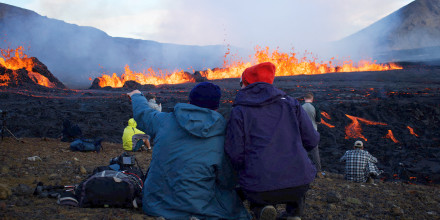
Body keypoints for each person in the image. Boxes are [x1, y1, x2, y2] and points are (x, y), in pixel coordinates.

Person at [127, 82, 251, 220]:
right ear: (216, 107)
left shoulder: (164, 121)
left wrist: (137, 95)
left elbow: (143, 113)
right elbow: (227, 181)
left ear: (189, 101)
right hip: (199, 209)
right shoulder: (223, 134)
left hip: (156, 205)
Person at [224, 62, 320, 220]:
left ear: (246, 83)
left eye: (241, 83)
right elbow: (312, 140)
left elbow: (236, 154)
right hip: (299, 182)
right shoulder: (292, 104)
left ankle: (262, 209)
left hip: (260, 185)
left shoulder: (239, 111)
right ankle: (294, 213)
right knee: (296, 182)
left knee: (254, 184)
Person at [301, 92, 324, 178]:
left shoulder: (300, 106)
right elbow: (318, 121)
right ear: (312, 98)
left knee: (301, 150)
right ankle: (318, 171)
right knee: (315, 152)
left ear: (304, 98)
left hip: (302, 132)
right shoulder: (315, 107)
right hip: (313, 132)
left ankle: (301, 169)